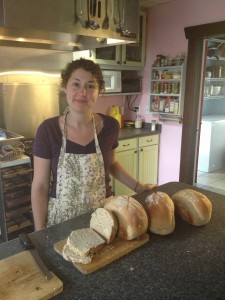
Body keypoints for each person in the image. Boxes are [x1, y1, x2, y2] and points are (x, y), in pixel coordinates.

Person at [31, 58, 156, 231]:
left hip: (104, 216)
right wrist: (39, 232)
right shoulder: (48, 130)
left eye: (91, 86)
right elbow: (40, 185)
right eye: (76, 84)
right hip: (61, 220)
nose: (83, 92)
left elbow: (112, 163)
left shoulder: (110, 126)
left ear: (99, 91)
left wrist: (139, 187)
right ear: (64, 87)